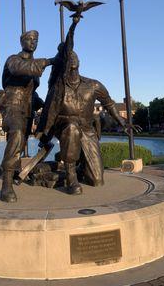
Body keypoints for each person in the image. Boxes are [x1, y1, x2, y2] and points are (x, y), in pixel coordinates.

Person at [37, 18, 134, 195]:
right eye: (69, 56)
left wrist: (123, 123)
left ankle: (80, 166)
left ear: (80, 61)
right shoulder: (58, 87)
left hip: (87, 130)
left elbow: (109, 104)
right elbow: (49, 112)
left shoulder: (93, 85)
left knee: (97, 180)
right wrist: (73, 25)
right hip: (65, 127)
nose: (72, 57)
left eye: (75, 55)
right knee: (72, 128)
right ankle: (71, 176)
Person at [0, 30, 53, 202]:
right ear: (22, 42)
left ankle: (21, 172)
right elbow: (20, 70)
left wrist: (46, 105)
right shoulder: (13, 60)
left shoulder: (33, 65)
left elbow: (32, 92)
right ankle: (6, 184)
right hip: (12, 105)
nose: (32, 42)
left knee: (22, 145)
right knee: (17, 134)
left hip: (28, 108)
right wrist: (49, 61)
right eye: (29, 39)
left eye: (35, 40)